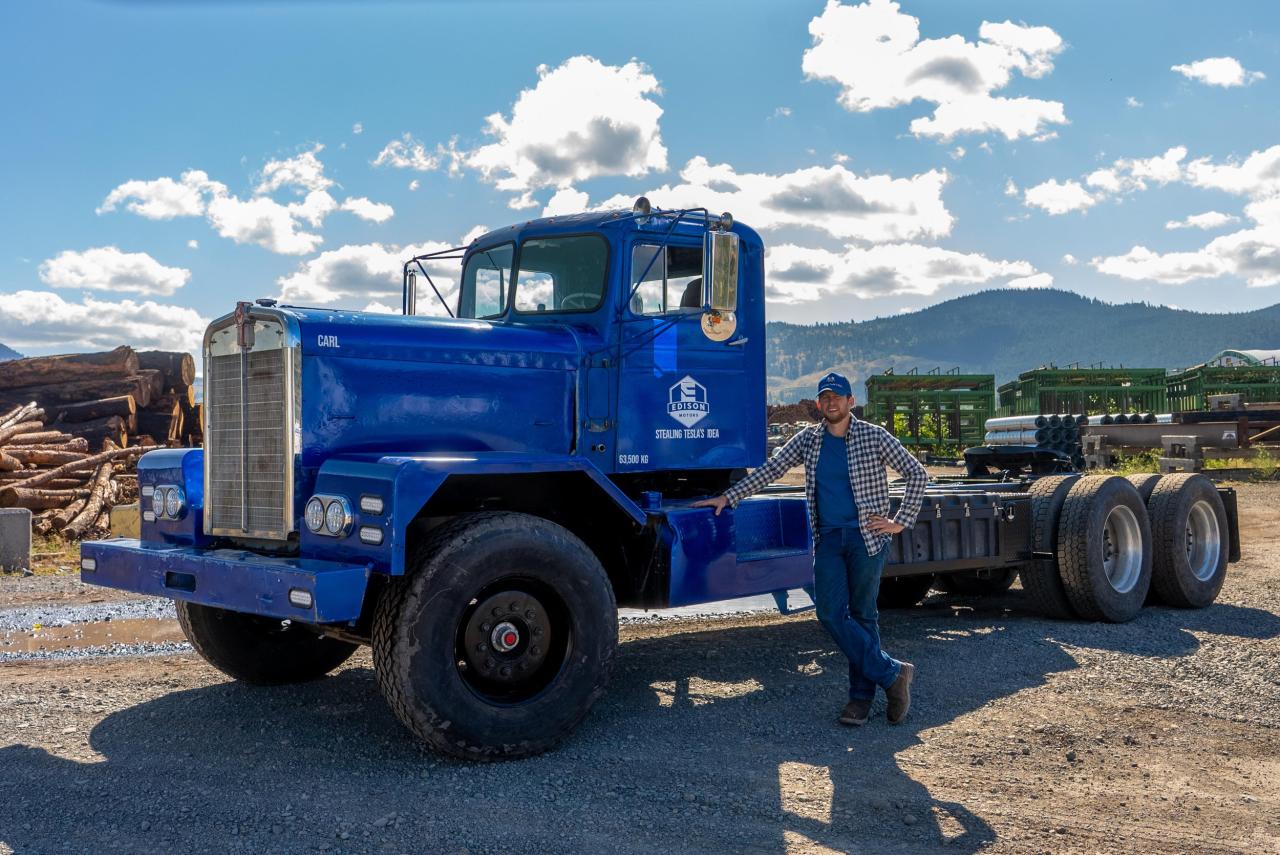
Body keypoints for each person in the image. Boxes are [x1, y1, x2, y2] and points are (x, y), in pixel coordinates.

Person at [693, 372, 928, 726]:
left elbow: (917, 473)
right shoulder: (809, 440)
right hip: (830, 539)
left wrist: (899, 520)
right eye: (825, 398)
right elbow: (771, 469)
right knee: (831, 612)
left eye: (838, 397)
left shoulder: (874, 436)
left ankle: (860, 699)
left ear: (851, 402)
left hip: (868, 539)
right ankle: (893, 674)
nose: (831, 403)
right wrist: (730, 496)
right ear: (819, 405)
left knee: (864, 615)